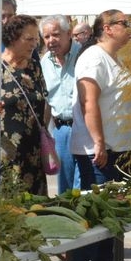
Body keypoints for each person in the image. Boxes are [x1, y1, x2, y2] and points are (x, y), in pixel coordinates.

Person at [68, 9, 131, 261]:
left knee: (112, 215)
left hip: (121, 150)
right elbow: (89, 102)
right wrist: (98, 141)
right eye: (125, 23)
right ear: (108, 28)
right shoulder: (94, 58)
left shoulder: (116, 59)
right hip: (99, 151)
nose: (130, 27)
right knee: (93, 214)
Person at [0, 15, 49, 196]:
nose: (34, 44)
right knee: (10, 206)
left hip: (34, 154)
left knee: (37, 207)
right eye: (29, 39)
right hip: (7, 155)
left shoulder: (35, 67)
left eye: (36, 39)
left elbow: (43, 100)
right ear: (12, 38)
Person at [39, 14, 81, 194]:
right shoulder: (44, 62)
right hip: (61, 130)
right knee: (65, 188)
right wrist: (44, 132)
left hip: (84, 127)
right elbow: (47, 100)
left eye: (56, 34)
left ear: (69, 33)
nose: (51, 40)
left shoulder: (83, 55)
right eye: (46, 37)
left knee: (85, 184)